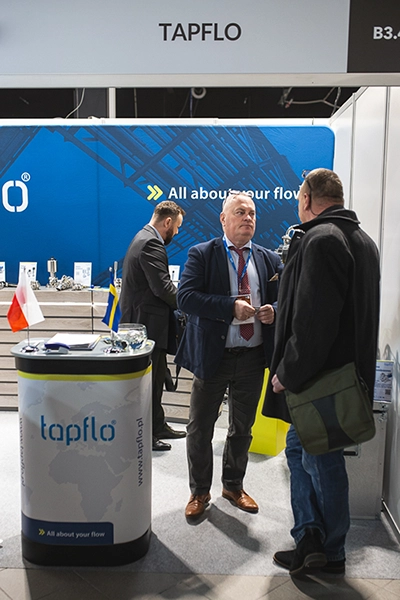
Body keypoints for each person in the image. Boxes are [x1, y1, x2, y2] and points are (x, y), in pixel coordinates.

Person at [263, 169, 380, 576]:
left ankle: (330, 551)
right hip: (343, 377)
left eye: (299, 198)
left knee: (321, 460)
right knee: (301, 451)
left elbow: (314, 320)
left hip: (318, 381)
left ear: (307, 199)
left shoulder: (321, 239)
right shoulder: (363, 241)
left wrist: (288, 372)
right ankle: (309, 537)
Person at [175, 191, 283, 519]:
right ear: (223, 219)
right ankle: (199, 491)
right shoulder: (202, 254)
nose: (248, 218)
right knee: (200, 428)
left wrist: (275, 310)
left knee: (243, 427)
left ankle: (233, 486)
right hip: (213, 356)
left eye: (252, 213)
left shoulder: (269, 259)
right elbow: (185, 298)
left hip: (252, 357)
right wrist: (229, 307)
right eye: (240, 212)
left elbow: (286, 299)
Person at [120, 200, 187, 451]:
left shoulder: (143, 237)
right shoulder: (151, 243)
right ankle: (147, 435)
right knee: (150, 383)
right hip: (146, 326)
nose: (176, 232)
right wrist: (189, 302)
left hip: (144, 324)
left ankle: (158, 425)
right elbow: (163, 288)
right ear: (167, 221)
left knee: (157, 378)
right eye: (177, 227)